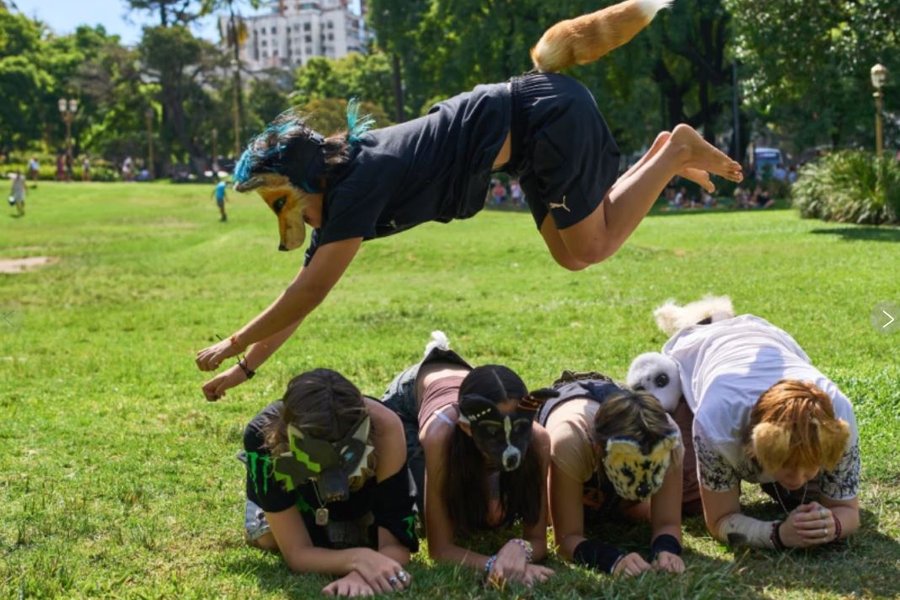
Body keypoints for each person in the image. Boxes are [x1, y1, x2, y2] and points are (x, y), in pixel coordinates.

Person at [194, 0, 742, 397]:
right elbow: (301, 296)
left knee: (591, 247)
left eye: (279, 201)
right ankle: (665, 153)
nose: (284, 216)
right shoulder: (341, 196)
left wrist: (234, 341)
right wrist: (242, 369)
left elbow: (309, 292)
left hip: (545, 116)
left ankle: (672, 155)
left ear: (303, 182)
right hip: (526, 138)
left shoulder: (356, 184)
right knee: (574, 254)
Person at [661, 314, 860, 550]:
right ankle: (708, 319)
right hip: (699, 351)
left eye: (808, 468)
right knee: (688, 496)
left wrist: (831, 525)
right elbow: (719, 520)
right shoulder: (716, 421)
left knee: (807, 498)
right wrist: (777, 535)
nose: (796, 478)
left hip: (767, 338)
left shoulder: (838, 421)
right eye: (786, 464)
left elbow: (848, 510)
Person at [380, 332, 555, 587]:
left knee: (490, 513)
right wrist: (495, 565)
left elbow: (537, 538)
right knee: (424, 506)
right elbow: (439, 550)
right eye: (494, 434)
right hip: (410, 398)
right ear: (467, 428)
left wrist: (520, 548)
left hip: (466, 382)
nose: (510, 449)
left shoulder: (538, 440)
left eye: (517, 430)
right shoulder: (439, 435)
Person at [242, 368, 418, 597]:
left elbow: (396, 543)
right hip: (299, 504)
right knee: (267, 537)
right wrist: (360, 558)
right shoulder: (261, 434)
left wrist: (362, 574)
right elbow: (297, 553)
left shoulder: (385, 426)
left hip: (361, 504)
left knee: (360, 537)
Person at [537, 371, 685, 577]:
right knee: (545, 515)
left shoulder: (668, 440)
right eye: (628, 467)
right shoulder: (570, 439)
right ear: (598, 448)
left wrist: (667, 550)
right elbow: (566, 538)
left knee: (641, 511)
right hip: (575, 439)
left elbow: (668, 523)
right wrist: (611, 560)